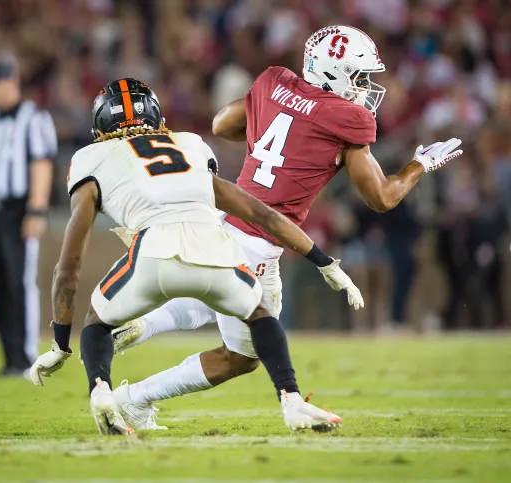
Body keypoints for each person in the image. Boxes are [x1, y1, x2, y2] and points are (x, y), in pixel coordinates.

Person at [106, 26, 463, 430]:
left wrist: (272, 125)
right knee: (241, 357)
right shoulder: (348, 120)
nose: (365, 87)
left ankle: (144, 323)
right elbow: (382, 197)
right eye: (360, 77)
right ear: (334, 72)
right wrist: (421, 164)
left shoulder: (274, 81)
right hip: (258, 243)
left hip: (223, 223)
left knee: (220, 295)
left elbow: (222, 124)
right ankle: (134, 398)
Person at [29, 78, 364, 435]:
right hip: (217, 247)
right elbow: (261, 213)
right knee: (260, 314)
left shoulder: (88, 159)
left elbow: (68, 267)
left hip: (152, 255)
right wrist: (324, 261)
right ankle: (292, 400)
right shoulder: (190, 144)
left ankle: (100, 389)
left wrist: (60, 345)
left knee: (98, 321)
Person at [0, 59, 58, 377]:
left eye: (1, 83)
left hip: (19, 208)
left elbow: (42, 163)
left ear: (13, 83)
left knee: (21, 282)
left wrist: (36, 209)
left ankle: (25, 354)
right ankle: (9, 356)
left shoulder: (33, 117)